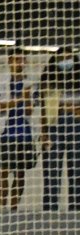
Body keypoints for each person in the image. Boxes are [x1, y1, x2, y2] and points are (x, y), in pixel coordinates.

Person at [0, 54, 39, 212]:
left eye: (23, 60)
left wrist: (27, 98)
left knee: (20, 172)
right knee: (3, 171)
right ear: (10, 61)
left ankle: (14, 209)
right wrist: (19, 99)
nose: (20, 63)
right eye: (17, 59)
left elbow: (30, 110)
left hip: (25, 133)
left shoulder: (31, 83)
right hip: (6, 133)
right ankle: (2, 208)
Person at [41, 48, 80, 212]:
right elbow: (44, 107)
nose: (66, 61)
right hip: (54, 126)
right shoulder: (48, 78)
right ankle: (50, 211)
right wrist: (44, 131)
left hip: (76, 126)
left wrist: (70, 108)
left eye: (68, 58)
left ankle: (76, 211)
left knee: (76, 171)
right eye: (62, 58)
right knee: (52, 172)